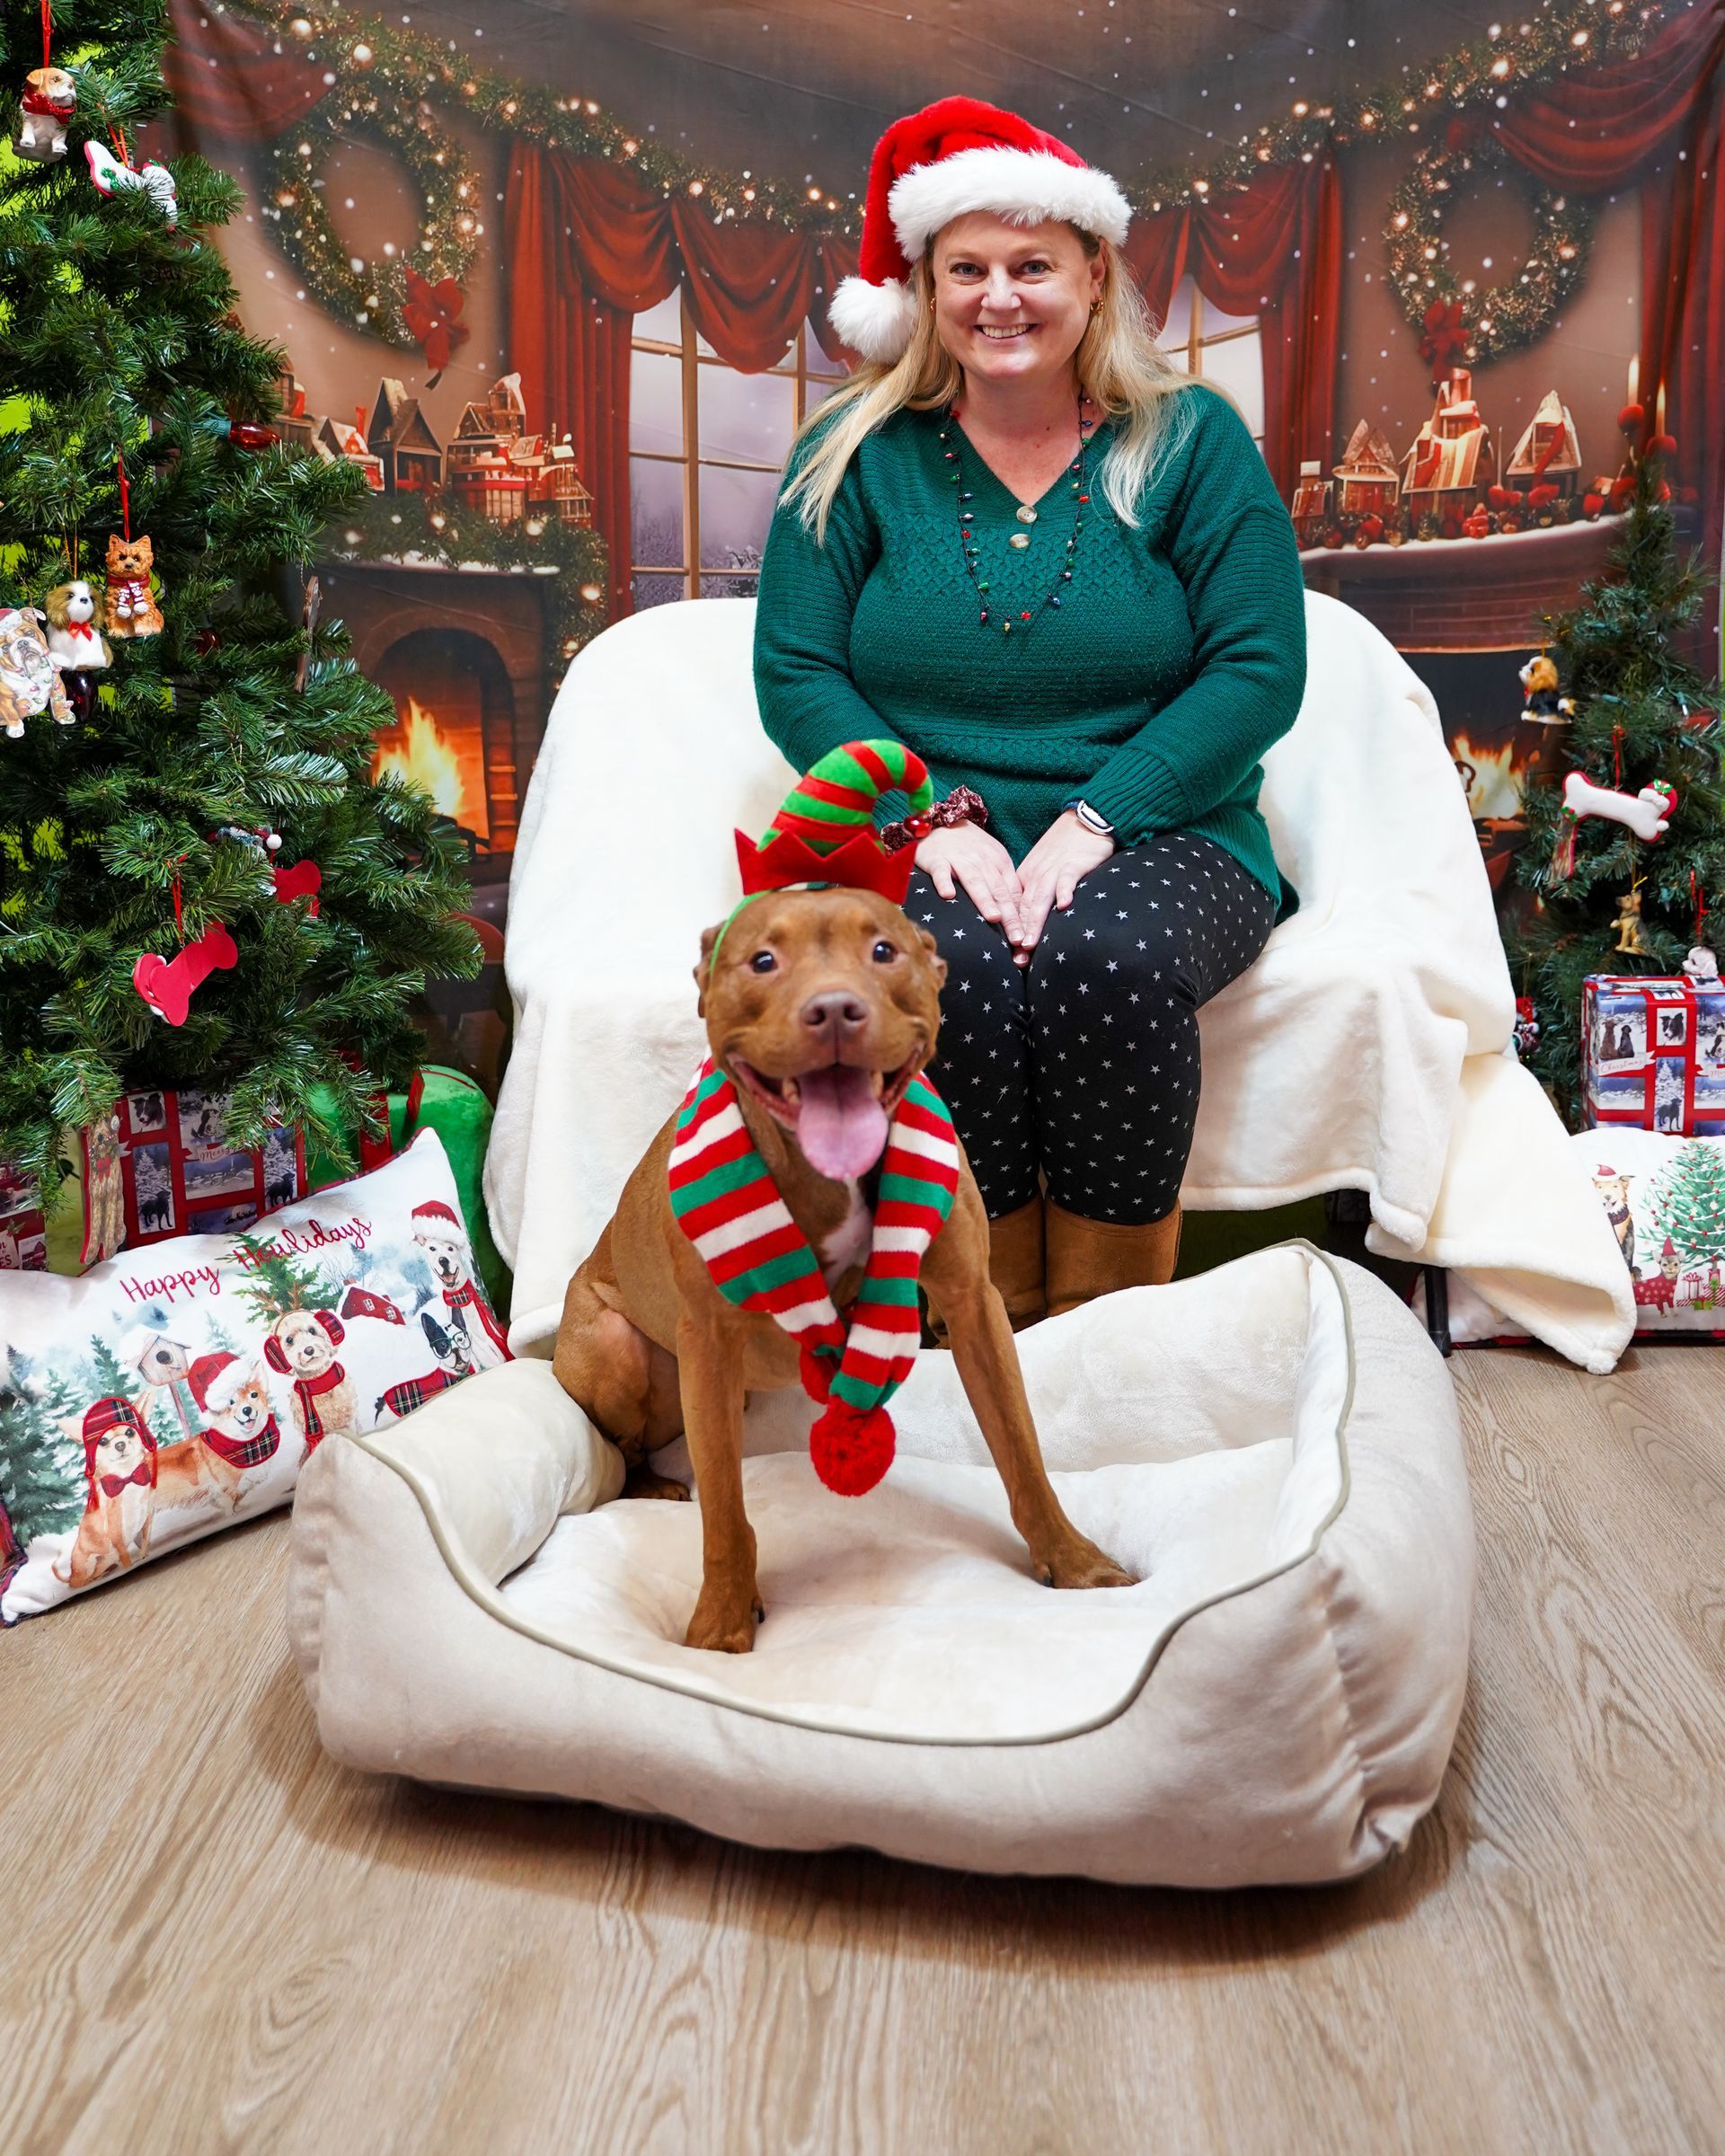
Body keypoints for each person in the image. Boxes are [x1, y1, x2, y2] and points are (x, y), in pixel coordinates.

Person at [752, 95, 1307, 1321]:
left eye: (1032, 265)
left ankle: (1112, 1340)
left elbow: (1259, 668)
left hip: (1167, 829)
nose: (1000, 296)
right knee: (953, 979)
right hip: (923, 829)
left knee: (1102, 955)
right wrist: (929, 819)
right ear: (928, 286)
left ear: (1094, 275)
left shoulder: (1191, 441)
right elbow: (797, 668)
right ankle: (984, 1334)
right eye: (968, 269)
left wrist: (1101, 817)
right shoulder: (851, 451)